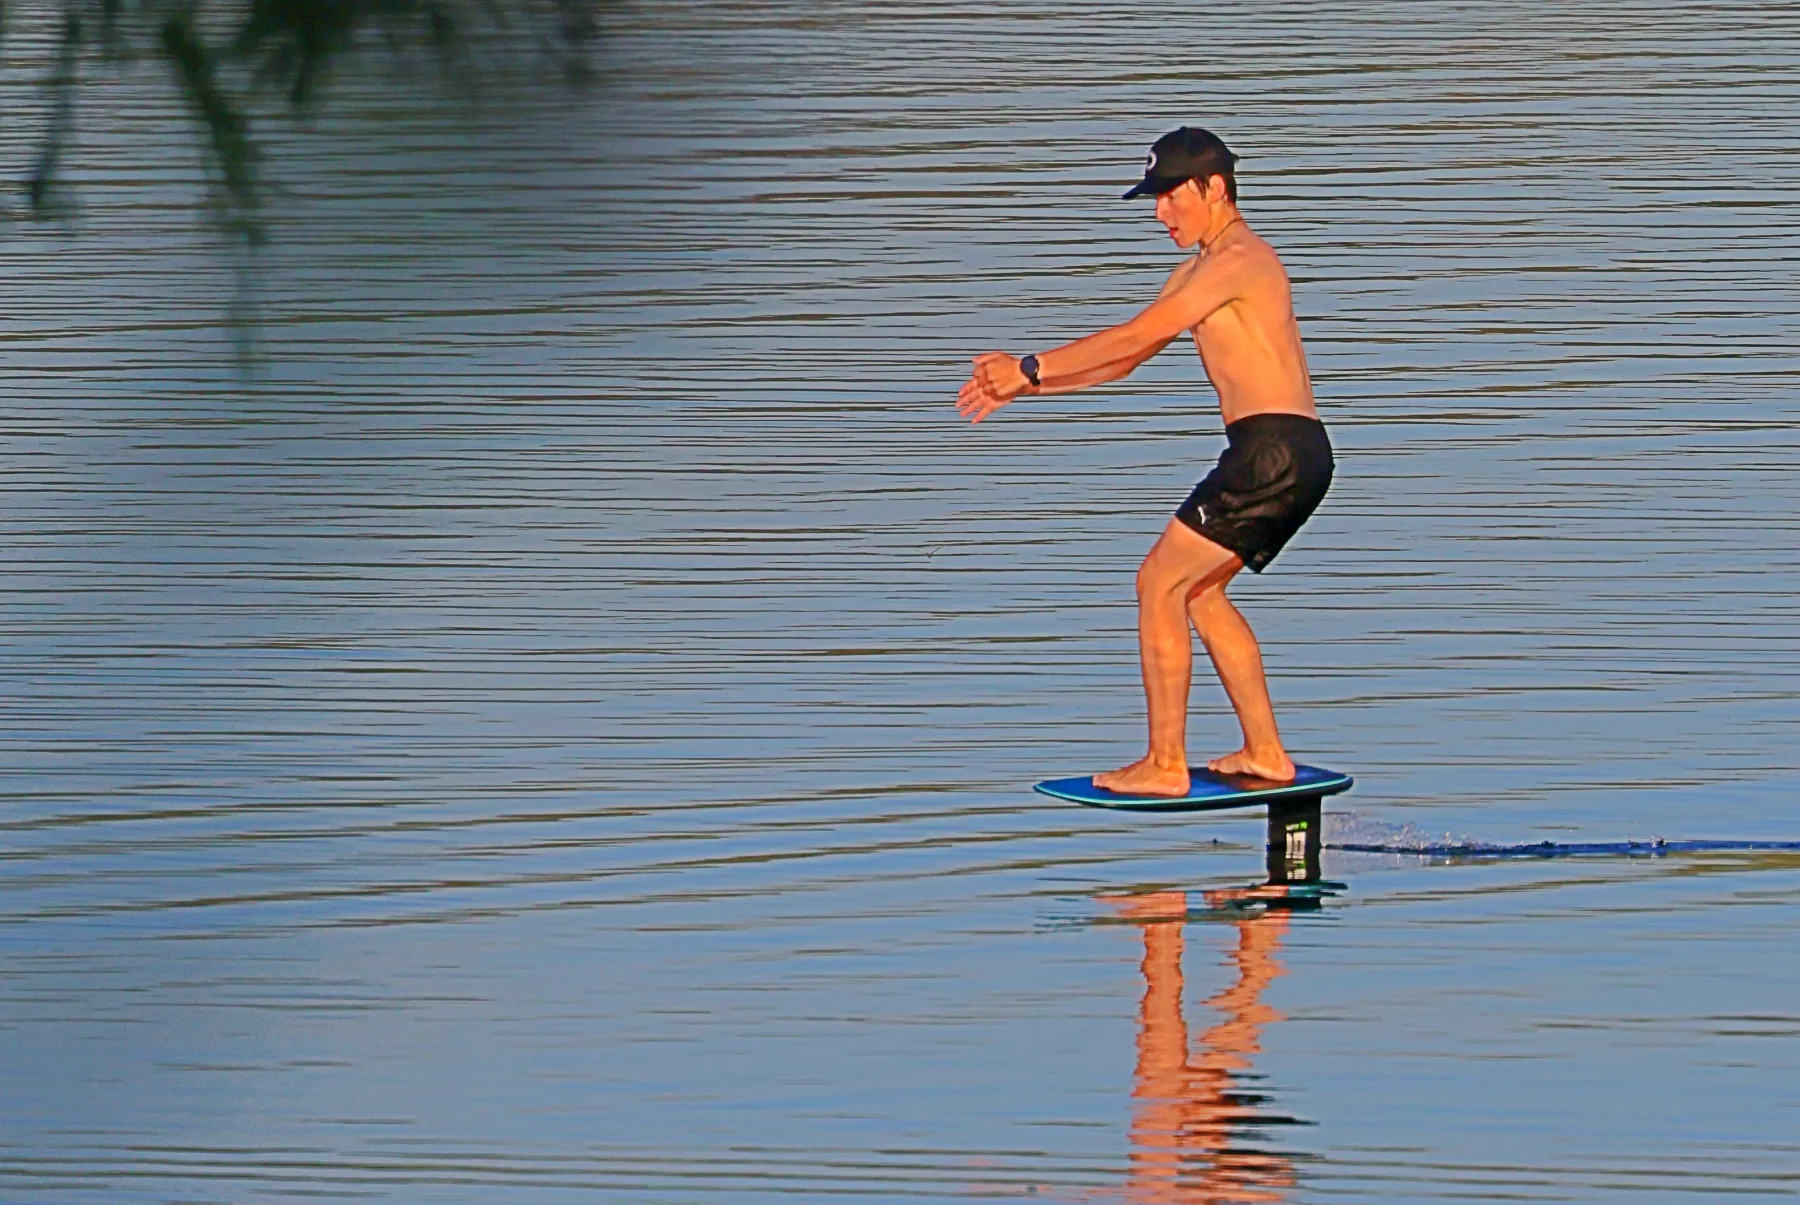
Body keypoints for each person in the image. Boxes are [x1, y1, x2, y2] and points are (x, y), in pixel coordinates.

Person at [956, 126, 1332, 796]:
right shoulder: (1196, 271)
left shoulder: (1241, 259)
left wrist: (1031, 363)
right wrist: (1028, 385)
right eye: (1153, 199)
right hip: (1288, 453)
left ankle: (1164, 764)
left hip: (1271, 450)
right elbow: (1126, 359)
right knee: (1200, 590)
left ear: (1214, 188)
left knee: (1157, 582)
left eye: (1169, 196)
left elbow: (1136, 333)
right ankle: (1266, 752)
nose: (1160, 212)